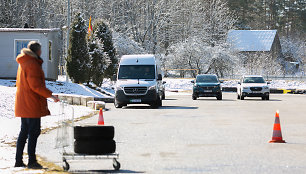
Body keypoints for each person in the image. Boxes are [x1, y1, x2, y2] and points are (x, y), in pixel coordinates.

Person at [14, 41, 59, 169]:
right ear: (38, 51)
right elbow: (36, 86)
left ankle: (18, 160)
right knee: (33, 132)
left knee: (24, 132)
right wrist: (51, 95)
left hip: (23, 102)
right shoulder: (32, 64)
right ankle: (32, 161)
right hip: (31, 103)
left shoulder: (24, 62)